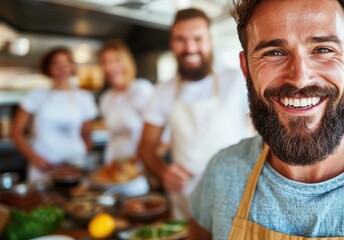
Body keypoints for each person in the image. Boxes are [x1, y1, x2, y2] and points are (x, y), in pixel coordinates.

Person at [188, 0, 344, 239]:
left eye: (323, 49)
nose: (300, 78)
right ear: (246, 68)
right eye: (274, 52)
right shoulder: (222, 172)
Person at [139, 8, 253, 220]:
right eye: (181, 40)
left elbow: (264, 136)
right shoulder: (162, 91)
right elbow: (146, 145)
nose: (190, 47)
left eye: (197, 39)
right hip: (186, 197)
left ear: (209, 41)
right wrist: (162, 172)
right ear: (171, 43)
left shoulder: (237, 81)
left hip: (235, 193)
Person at [12, 47, 98, 182]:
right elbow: (16, 132)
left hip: (74, 165)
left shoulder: (85, 98)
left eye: (66, 62)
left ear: (72, 67)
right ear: (48, 68)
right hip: (43, 165)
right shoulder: (35, 96)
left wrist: (81, 159)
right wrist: (35, 158)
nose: (62, 67)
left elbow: (87, 134)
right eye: (56, 63)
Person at [97, 39, 154, 196]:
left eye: (115, 60)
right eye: (105, 62)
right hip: (112, 169)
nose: (110, 67)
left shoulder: (141, 89)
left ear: (126, 62)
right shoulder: (106, 98)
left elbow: (158, 136)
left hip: (136, 173)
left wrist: (141, 162)